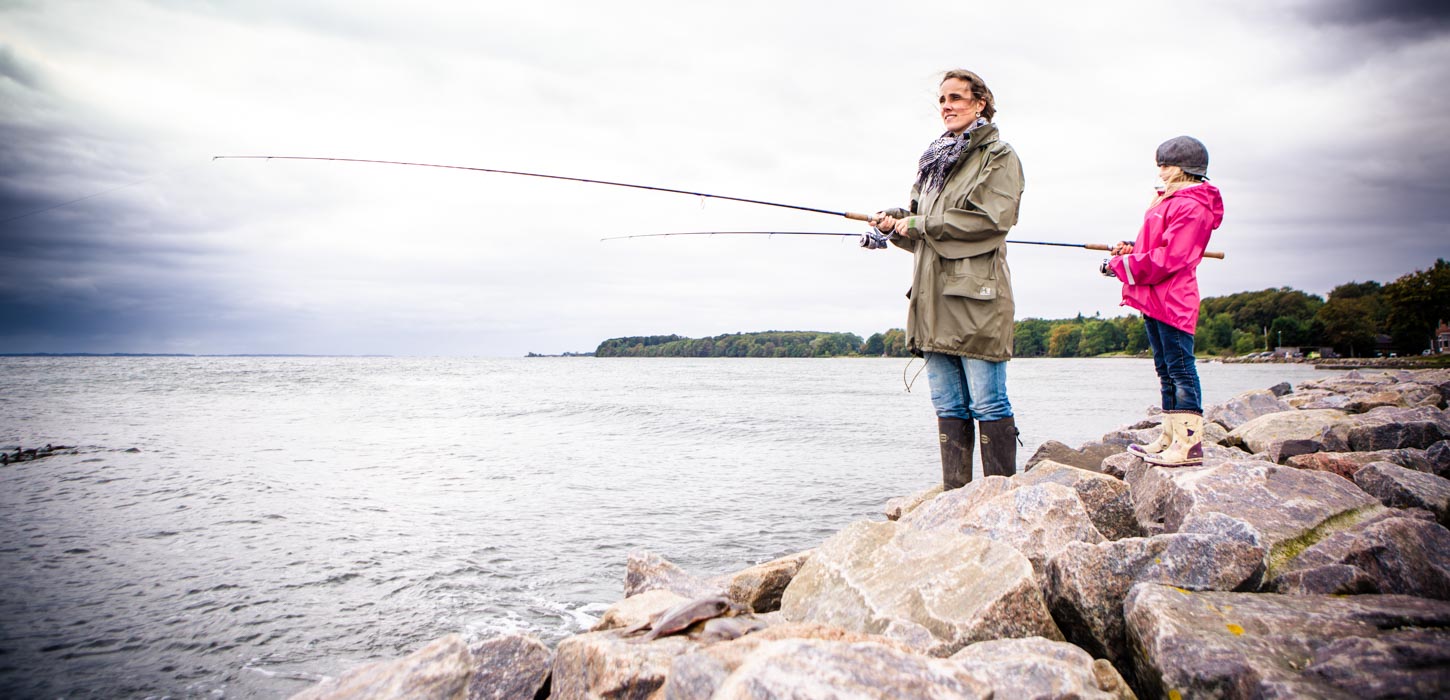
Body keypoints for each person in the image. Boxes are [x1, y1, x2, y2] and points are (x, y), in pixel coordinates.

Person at [871, 70, 1024, 490]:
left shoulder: (999, 156)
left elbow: (990, 221)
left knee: (988, 403)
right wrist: (894, 226)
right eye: (941, 100)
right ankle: (957, 498)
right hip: (932, 300)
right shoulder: (934, 161)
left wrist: (918, 223)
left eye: (956, 98)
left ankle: (1000, 499)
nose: (946, 106)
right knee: (947, 404)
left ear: (980, 104)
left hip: (976, 300)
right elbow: (926, 237)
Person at [1103, 135, 1224, 467]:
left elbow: (1171, 257)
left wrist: (1120, 266)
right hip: (1154, 299)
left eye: (1166, 165)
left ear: (1184, 169)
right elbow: (1153, 244)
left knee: (1181, 368)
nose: (1160, 171)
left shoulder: (1192, 205)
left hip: (1174, 300)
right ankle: (1170, 436)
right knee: (1165, 369)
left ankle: (1188, 445)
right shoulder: (1166, 200)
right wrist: (1131, 248)